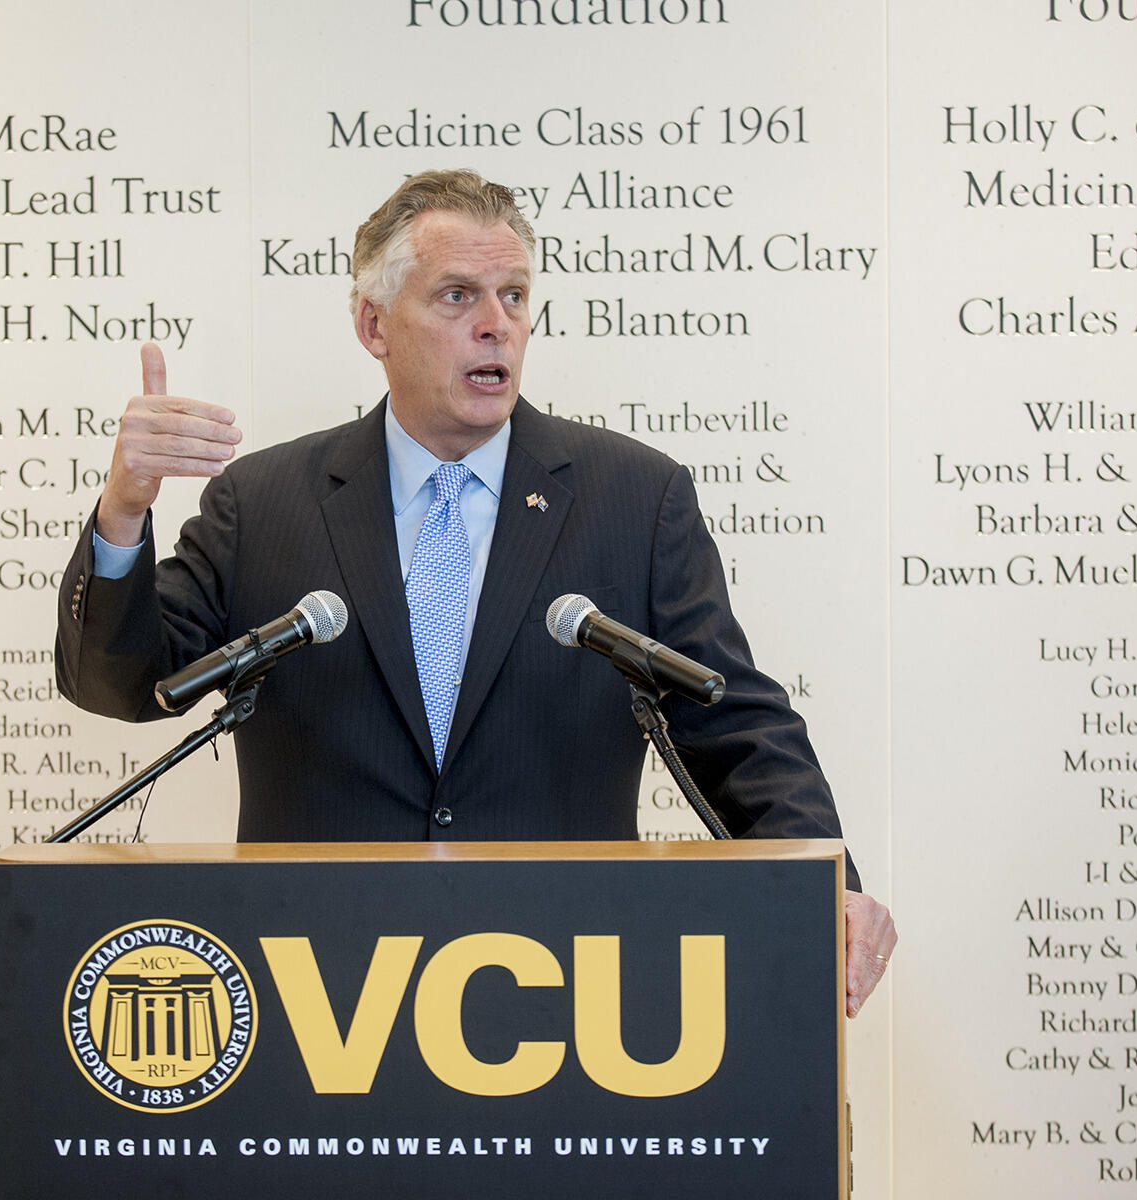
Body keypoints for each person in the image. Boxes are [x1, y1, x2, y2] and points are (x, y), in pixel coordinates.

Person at [56, 169, 896, 1015]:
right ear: (374, 324)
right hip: (315, 982)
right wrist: (123, 508)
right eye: (458, 296)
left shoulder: (634, 499)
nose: (497, 323)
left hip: (563, 986)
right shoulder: (267, 503)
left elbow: (729, 718)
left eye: (514, 295)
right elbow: (122, 685)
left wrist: (828, 882)